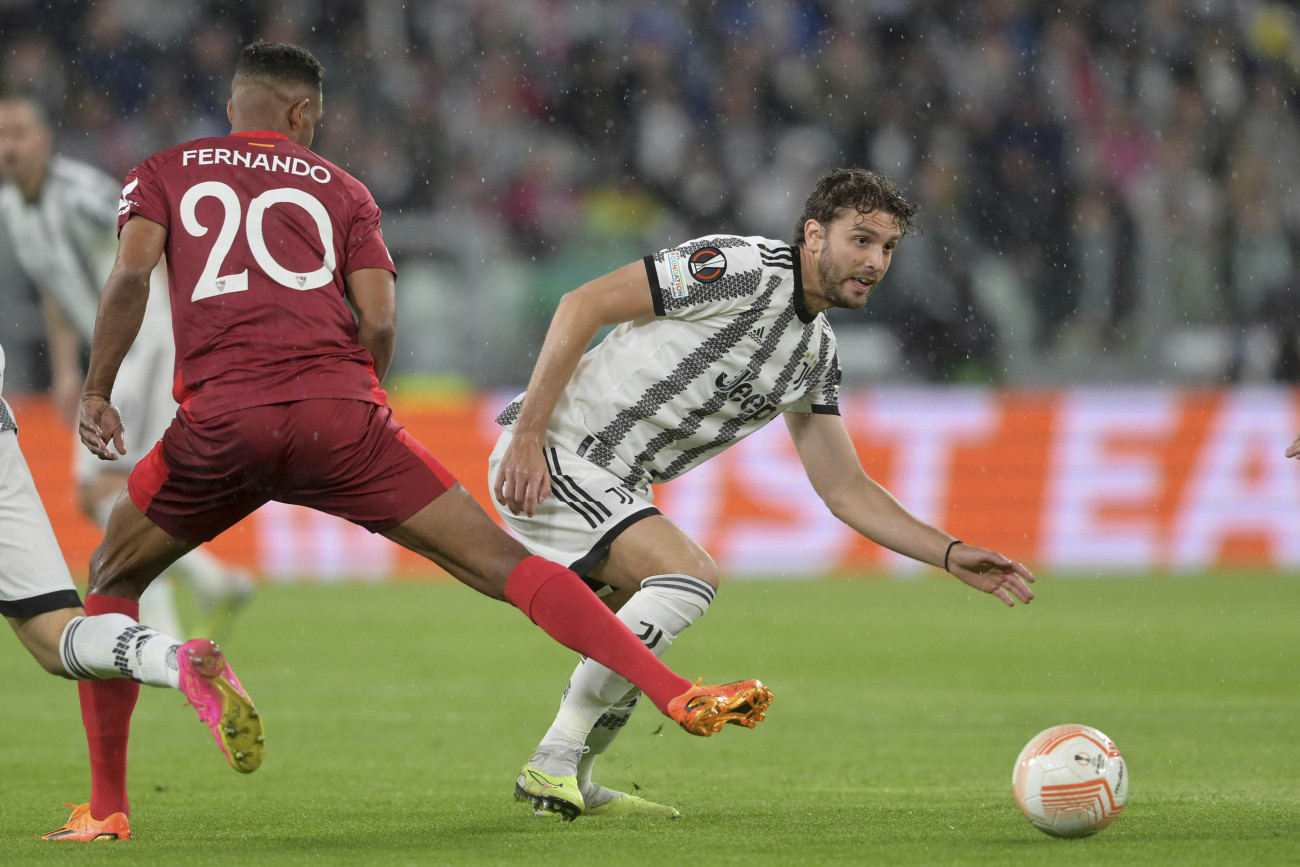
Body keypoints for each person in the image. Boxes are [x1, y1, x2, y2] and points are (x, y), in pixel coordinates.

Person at [61, 40, 772, 841]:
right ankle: (672, 686)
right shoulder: (344, 189)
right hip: (342, 417)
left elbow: (129, 276)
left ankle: (108, 807)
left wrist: (96, 388)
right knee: (506, 567)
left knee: (113, 573)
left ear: (235, 109)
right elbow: (381, 318)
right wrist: (358, 396)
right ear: (302, 115)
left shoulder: (163, 170)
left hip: (222, 421)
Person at [491, 167, 1037, 819]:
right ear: (813, 234)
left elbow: (845, 489)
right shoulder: (742, 266)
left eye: (887, 247)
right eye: (860, 239)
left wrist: (950, 553)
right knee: (688, 573)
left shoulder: (816, 353)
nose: (875, 260)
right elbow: (583, 304)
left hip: (612, 482)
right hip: (558, 452)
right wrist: (527, 434)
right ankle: (552, 759)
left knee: (638, 626)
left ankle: (574, 776)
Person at [0, 95, 252, 639]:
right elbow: (53, 286)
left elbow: (154, 244)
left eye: (18, 133)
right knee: (103, 495)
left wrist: (182, 327)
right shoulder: (12, 209)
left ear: (44, 140)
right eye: (1, 136)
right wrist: (69, 370)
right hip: (110, 354)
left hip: (144, 340)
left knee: (113, 491)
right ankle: (211, 583)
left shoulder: (84, 194)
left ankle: (159, 625)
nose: (8, 147)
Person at [3, 340, 251, 842]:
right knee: (58, 637)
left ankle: (213, 587)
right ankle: (173, 656)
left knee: (107, 508)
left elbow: (68, 267)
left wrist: (89, 374)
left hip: (146, 352)